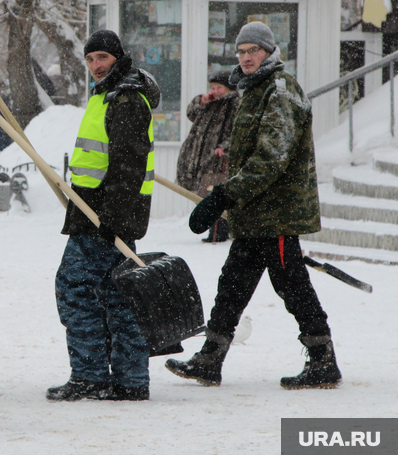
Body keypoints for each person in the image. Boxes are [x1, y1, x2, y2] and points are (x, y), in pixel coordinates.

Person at [165, 21, 342, 390]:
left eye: (253, 51)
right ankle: (210, 359)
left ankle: (323, 360)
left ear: (268, 53)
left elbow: (271, 158)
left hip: (277, 212)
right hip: (256, 212)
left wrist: (224, 195)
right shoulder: (253, 90)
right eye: (241, 52)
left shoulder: (279, 90)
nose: (246, 58)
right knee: (233, 283)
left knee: (291, 284)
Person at [47, 30, 160, 402]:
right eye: (90, 59)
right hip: (95, 209)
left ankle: (91, 375)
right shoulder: (107, 95)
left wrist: (112, 216)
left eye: (103, 59)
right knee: (117, 294)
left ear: (118, 58)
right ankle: (129, 379)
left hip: (104, 214)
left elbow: (128, 163)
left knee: (75, 288)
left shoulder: (126, 99)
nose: (96, 66)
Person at [176, 70, 239, 243]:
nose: (215, 91)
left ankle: (219, 231)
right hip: (199, 156)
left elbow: (238, 129)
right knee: (203, 192)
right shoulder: (210, 102)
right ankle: (214, 229)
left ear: (228, 88)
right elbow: (190, 114)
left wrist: (225, 147)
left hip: (217, 157)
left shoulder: (234, 103)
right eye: (212, 87)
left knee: (216, 191)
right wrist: (201, 101)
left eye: (219, 87)